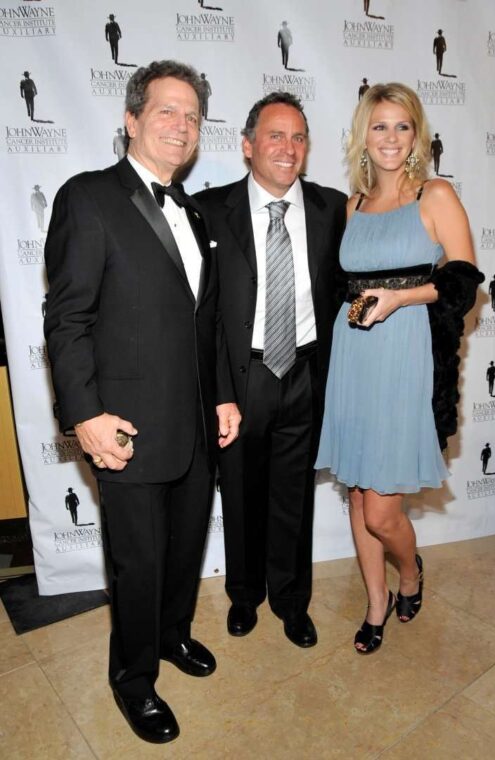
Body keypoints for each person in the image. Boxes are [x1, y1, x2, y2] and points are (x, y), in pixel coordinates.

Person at [44, 59, 241, 744]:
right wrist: (85, 416)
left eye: (191, 116)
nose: (181, 125)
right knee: (138, 561)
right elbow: (67, 319)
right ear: (131, 119)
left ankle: (171, 636)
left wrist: (221, 397)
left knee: (184, 551)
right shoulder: (88, 197)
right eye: (166, 111)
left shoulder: (193, 209)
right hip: (124, 426)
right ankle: (133, 680)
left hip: (193, 427)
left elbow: (205, 321)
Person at [316, 83, 483, 655]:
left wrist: (400, 298)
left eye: (401, 126)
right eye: (379, 126)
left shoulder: (434, 194)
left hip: (406, 354)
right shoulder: (352, 205)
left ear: (417, 134)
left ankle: (409, 572)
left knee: (384, 510)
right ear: (364, 134)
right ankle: (375, 601)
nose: (390, 137)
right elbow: (343, 286)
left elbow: (462, 282)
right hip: (354, 357)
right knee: (360, 497)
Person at [195, 92, 347, 648]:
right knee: (238, 493)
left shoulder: (334, 209)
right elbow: (204, 315)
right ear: (247, 145)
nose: (288, 148)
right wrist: (217, 391)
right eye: (276, 136)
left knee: (294, 496)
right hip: (244, 378)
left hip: (306, 373)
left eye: (299, 137)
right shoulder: (210, 209)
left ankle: (291, 600)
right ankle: (243, 595)